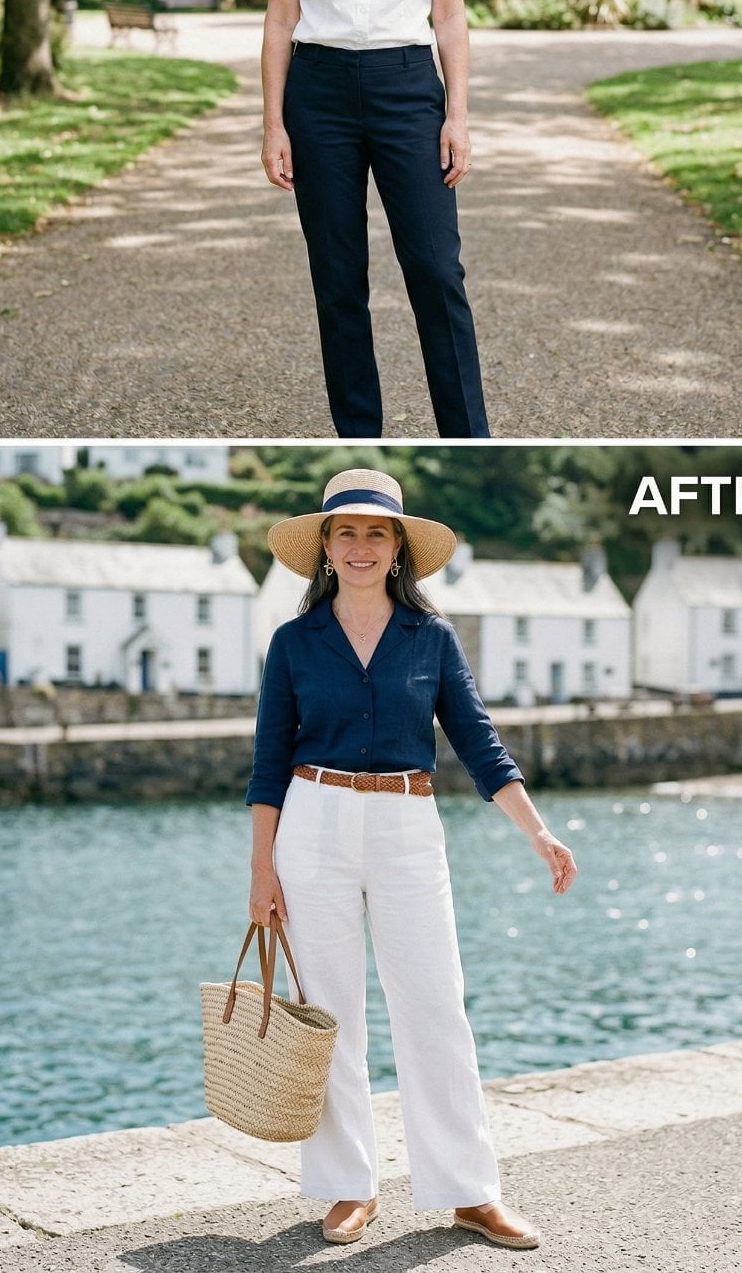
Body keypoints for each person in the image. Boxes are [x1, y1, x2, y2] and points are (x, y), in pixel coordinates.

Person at [246, 468, 578, 1250]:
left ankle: (469, 1192)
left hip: (407, 821)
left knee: (435, 1007)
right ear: (325, 547)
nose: (361, 546)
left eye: (377, 532)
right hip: (311, 821)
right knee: (327, 1013)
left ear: (398, 548)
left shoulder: (430, 637)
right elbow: (266, 766)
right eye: (346, 532)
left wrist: (538, 831)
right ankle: (346, 1187)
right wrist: (261, 872)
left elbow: (479, 744)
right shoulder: (294, 643)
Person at [258, 0, 490, 440]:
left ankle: (469, 435)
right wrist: (272, 123)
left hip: (406, 87)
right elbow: (279, 17)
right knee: (339, 281)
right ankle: (361, 438)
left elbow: (449, 17)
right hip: (318, 92)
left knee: (435, 272)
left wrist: (458, 116)